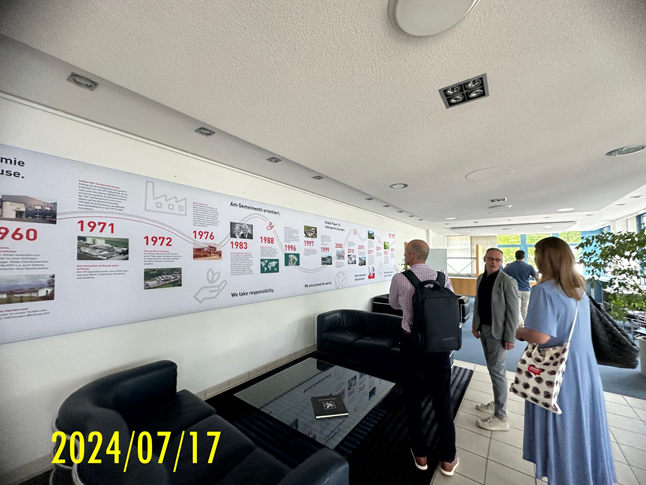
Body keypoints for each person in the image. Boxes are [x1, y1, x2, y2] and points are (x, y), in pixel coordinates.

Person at [515, 237, 615, 485]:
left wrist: (520, 332)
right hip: (583, 367)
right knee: (582, 423)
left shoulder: (543, 291)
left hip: (556, 371)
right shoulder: (578, 289)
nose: (535, 259)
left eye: (537, 254)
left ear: (545, 259)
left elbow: (541, 336)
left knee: (561, 426)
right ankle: (586, 473)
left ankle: (565, 476)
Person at [389, 239, 458, 476]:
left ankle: (420, 454)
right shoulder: (442, 277)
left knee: (413, 397)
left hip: (412, 344)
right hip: (439, 345)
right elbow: (450, 302)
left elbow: (393, 304)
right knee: (442, 398)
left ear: (411, 255)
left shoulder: (400, 278)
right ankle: (448, 458)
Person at [472, 247, 519, 431]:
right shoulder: (481, 278)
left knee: (497, 371)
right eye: (491, 259)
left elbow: (513, 312)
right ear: (485, 259)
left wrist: (510, 336)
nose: (494, 262)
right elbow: (478, 303)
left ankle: (501, 416)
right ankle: (497, 403)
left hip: (499, 333)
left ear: (501, 262)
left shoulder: (508, 281)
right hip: (484, 328)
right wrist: (475, 325)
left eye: (498, 260)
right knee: (493, 369)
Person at [503, 249, 537, 326]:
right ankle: (526, 325)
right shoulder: (529, 267)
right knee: (525, 309)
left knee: (517, 309)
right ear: (524, 257)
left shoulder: (509, 266)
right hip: (527, 290)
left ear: (515, 256)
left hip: (515, 290)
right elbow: (537, 277)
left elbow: (502, 276)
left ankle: (519, 326)